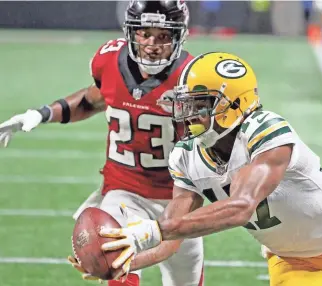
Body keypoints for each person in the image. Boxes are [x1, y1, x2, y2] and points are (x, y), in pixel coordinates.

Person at [96, 52, 322, 286]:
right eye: (186, 104)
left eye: (199, 105)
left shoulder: (264, 130)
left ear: (234, 104)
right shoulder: (185, 157)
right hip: (293, 260)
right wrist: (126, 259)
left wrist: (150, 231)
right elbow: (171, 235)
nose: (188, 115)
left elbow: (240, 207)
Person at [0, 1, 204, 286]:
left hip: (178, 196)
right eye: (144, 33)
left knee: (185, 277)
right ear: (130, 32)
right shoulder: (110, 60)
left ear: (179, 36)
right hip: (124, 190)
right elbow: (91, 99)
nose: (151, 44)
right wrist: (41, 113)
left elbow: (213, 148)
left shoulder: (194, 78)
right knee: (115, 255)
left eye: (163, 35)